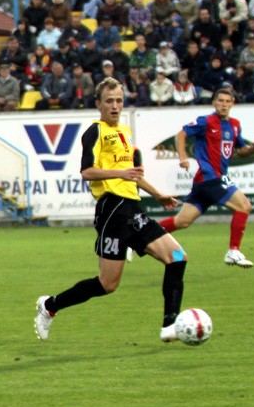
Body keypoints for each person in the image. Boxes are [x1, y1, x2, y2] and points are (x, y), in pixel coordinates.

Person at [34, 77, 186, 343]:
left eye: (119, 101)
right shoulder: (95, 132)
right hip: (112, 211)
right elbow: (87, 172)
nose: (115, 106)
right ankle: (49, 306)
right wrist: (120, 173)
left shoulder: (124, 133)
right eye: (109, 101)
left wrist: (158, 194)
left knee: (177, 257)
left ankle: (169, 326)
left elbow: (133, 174)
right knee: (107, 285)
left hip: (132, 208)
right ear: (98, 104)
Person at [158, 88, 254, 268]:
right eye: (220, 101)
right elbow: (181, 135)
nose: (224, 105)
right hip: (211, 176)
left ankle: (140, 235)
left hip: (204, 181)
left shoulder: (235, 125)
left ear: (232, 104)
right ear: (214, 103)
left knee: (182, 221)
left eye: (227, 101)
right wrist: (183, 157)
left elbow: (241, 151)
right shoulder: (206, 121)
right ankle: (233, 251)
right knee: (244, 206)